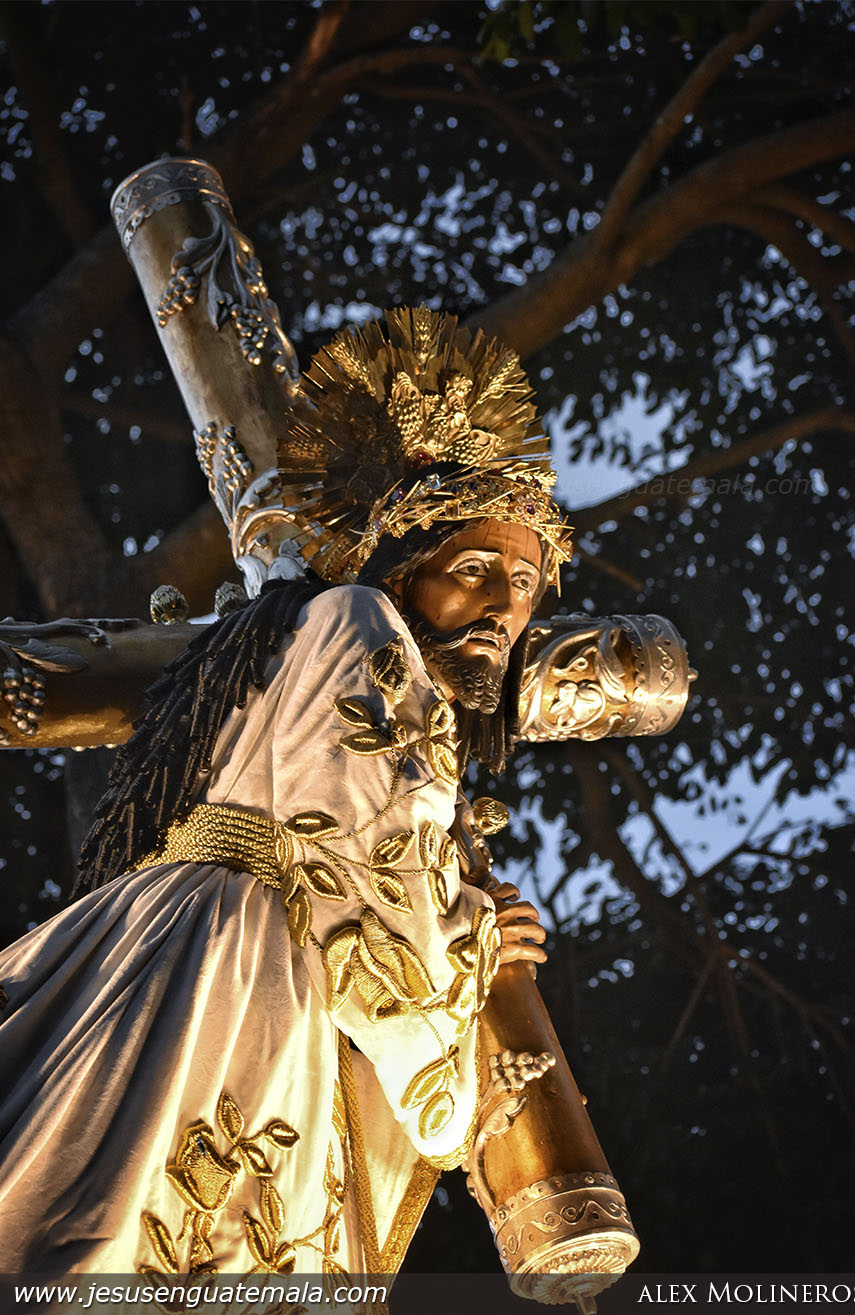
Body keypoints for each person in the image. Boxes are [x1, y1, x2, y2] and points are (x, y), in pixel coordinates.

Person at [0, 308, 571, 1278]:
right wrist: (475, 950)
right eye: (474, 569)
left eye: (524, 583)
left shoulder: (302, 645)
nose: (503, 607)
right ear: (404, 569)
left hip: (176, 945)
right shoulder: (361, 623)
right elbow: (374, 895)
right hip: (236, 969)